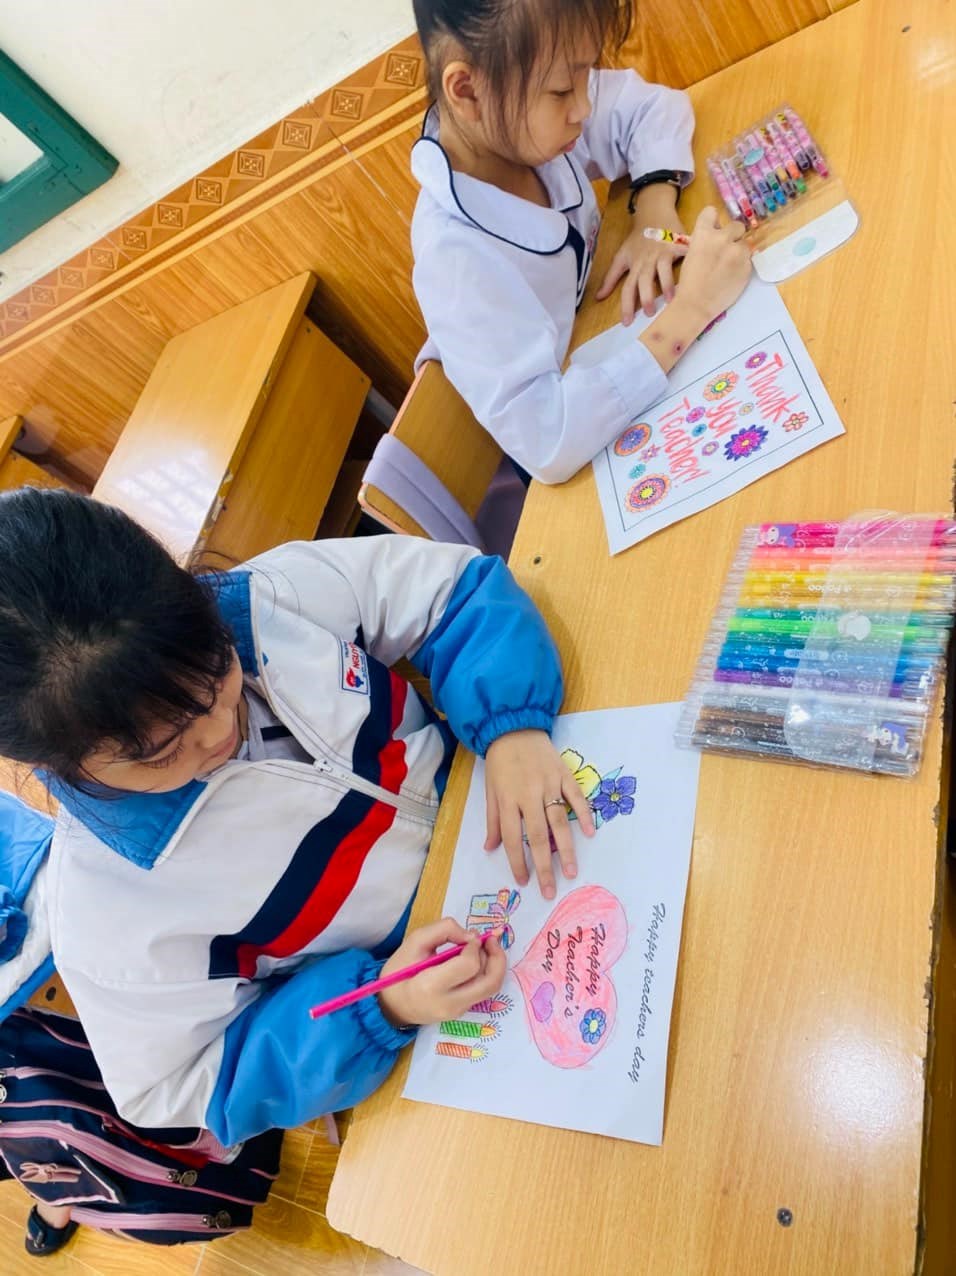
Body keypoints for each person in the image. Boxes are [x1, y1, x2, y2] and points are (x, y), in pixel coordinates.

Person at [0, 488, 592, 1149]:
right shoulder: (108, 915)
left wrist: (510, 728)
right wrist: (382, 1004)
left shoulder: (265, 600)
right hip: (442, 985)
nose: (219, 731)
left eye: (216, 671)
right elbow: (182, 1087)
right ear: (60, 765)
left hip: (501, 798)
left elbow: (452, 591)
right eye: (164, 751)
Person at [410, 0, 752, 483]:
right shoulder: (454, 260)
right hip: (577, 448)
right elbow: (547, 440)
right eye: (561, 91)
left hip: (598, 335)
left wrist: (653, 208)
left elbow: (653, 108)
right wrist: (694, 307)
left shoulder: (515, 116)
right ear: (468, 90)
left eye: (586, 74)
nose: (584, 108)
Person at [0, 790, 282, 1256]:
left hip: (39, 926)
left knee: (86, 1050)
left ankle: (63, 1176)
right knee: (41, 1098)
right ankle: (53, 1177)